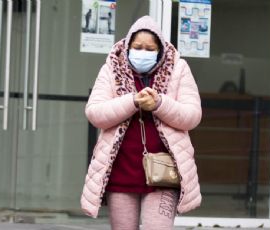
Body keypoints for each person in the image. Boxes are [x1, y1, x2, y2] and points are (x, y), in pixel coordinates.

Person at [81, 15, 202, 230]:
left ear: (161, 50)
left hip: (164, 174)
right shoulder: (112, 69)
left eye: (149, 48)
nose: (143, 52)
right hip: (121, 172)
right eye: (137, 47)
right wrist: (132, 101)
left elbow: (192, 116)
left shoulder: (178, 69)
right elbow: (95, 113)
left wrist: (159, 104)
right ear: (128, 48)